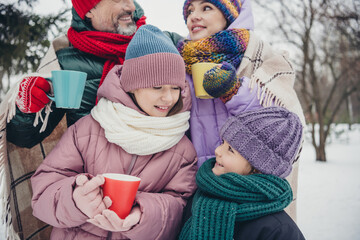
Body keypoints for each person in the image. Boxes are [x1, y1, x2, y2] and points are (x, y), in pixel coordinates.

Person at [30, 25, 197, 240]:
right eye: (157, 87)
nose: (168, 98)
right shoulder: (88, 129)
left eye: (175, 88)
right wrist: (74, 200)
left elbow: (179, 207)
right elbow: (44, 188)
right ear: (132, 85)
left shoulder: (183, 150)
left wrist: (141, 216)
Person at [5, 0, 182, 148]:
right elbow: (24, 139)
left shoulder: (165, 44)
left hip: (165, 167)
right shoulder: (64, 61)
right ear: (89, 10)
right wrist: (27, 109)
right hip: (94, 172)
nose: (131, 7)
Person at [177, 0, 306, 167]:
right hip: (201, 181)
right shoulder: (182, 61)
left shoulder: (261, 55)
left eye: (206, 8)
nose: (194, 16)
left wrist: (233, 91)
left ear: (229, 15)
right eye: (190, 11)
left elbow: (281, 122)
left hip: (249, 183)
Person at [179, 107, 306, 240]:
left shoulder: (279, 231)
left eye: (230, 149)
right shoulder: (200, 197)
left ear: (258, 168)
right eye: (223, 142)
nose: (217, 150)